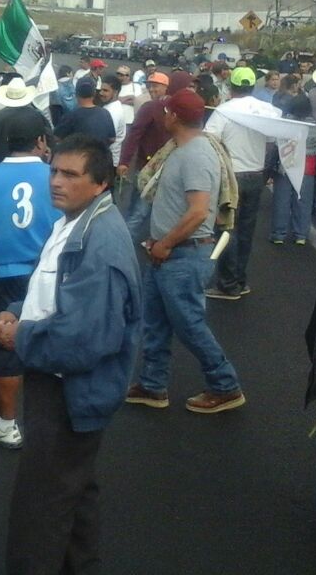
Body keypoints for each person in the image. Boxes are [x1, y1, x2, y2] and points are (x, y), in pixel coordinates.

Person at [0, 134, 142, 574]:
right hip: (55, 380)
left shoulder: (102, 242)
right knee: (74, 493)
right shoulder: (73, 221)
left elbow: (84, 338)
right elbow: (49, 292)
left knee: (39, 511)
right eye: (54, 169)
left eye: (70, 174)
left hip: (67, 391)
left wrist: (21, 338)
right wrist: (14, 313)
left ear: (100, 183)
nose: (55, 181)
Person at [126, 89, 246, 414]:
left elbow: (197, 212)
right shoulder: (183, 150)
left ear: (174, 117)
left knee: (190, 325)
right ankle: (152, 385)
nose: (162, 115)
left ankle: (225, 385)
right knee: (156, 322)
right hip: (167, 253)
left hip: (182, 255)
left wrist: (165, 243)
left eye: (166, 111)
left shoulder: (195, 155)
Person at [0, 110, 60, 450]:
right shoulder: (55, 175)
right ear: (40, 140)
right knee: (53, 338)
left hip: (6, 272)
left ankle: (7, 425)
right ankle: (53, 421)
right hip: (49, 270)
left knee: (5, 344)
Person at [203, 66, 282, 300]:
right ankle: (239, 279)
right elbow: (272, 137)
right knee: (246, 231)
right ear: (252, 86)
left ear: (232, 86)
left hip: (231, 176)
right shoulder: (268, 110)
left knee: (227, 229)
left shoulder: (224, 111)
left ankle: (228, 285)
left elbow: (210, 140)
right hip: (256, 175)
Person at [117, 70, 180, 243]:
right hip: (151, 168)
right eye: (149, 86)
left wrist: (124, 161)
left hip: (156, 169)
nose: (152, 89)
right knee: (142, 209)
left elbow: (133, 136)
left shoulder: (156, 108)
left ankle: (123, 242)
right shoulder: (158, 107)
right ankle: (127, 241)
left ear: (166, 87)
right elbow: (134, 136)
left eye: (156, 86)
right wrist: (125, 161)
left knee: (140, 209)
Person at [269, 79, 316, 246]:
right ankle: (301, 234)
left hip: (286, 163)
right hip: (307, 165)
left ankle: (278, 233)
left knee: (281, 199)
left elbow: (276, 144)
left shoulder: (285, 124)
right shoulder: (315, 126)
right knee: (303, 199)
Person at [54, 77, 115, 145]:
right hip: (100, 154)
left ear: (76, 93)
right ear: (94, 93)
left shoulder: (71, 115)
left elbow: (56, 137)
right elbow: (112, 138)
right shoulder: (105, 113)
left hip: (78, 154)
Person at [99, 74, 127, 166]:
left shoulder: (113, 112)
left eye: (105, 90)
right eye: (101, 90)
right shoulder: (110, 107)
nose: (101, 93)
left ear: (115, 92)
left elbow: (108, 138)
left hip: (108, 161)